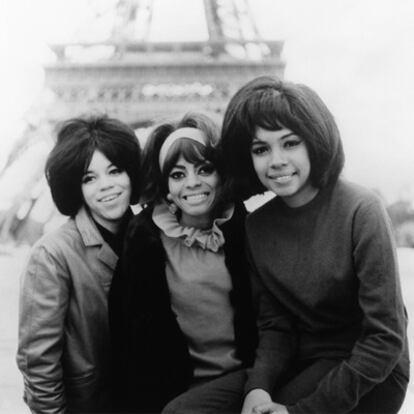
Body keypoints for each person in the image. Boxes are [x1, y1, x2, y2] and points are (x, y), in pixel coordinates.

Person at [220, 75, 409, 414]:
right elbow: (275, 325)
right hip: (302, 359)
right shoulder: (257, 225)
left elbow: (385, 338)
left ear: (314, 142)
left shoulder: (362, 209)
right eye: (261, 149)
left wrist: (302, 412)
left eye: (290, 143)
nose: (276, 160)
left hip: (370, 370)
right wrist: (258, 389)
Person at [108, 112, 257, 413]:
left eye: (204, 169)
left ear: (221, 173)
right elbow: (130, 339)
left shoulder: (248, 230)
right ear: (165, 187)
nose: (192, 183)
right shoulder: (145, 240)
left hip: (247, 382)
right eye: (177, 175)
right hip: (176, 392)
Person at [16, 115, 141, 414]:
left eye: (115, 171)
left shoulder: (152, 237)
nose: (106, 186)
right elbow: (39, 364)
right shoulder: (51, 255)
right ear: (75, 185)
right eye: (89, 178)